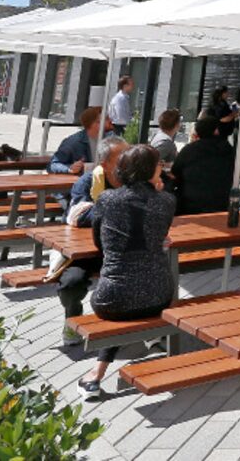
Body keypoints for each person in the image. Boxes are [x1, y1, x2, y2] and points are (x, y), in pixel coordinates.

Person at [74, 144, 177, 400]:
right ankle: (145, 348)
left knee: (122, 293)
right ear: (150, 170)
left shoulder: (108, 200)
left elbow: (100, 243)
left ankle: (96, 374)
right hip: (159, 295)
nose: (162, 169)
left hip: (111, 300)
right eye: (158, 165)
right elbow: (160, 235)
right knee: (133, 288)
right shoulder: (167, 201)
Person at [56, 138, 130, 346]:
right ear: (104, 164)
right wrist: (117, 208)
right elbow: (77, 216)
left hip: (122, 252)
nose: (127, 163)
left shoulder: (134, 182)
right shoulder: (87, 182)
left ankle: (147, 330)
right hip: (86, 252)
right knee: (71, 284)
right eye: (121, 159)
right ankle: (73, 317)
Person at [171, 115, 235, 215]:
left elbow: (175, 172)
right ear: (216, 131)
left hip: (189, 205)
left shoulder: (189, 150)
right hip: (220, 204)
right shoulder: (228, 151)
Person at [51, 107, 102, 175]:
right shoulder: (73, 142)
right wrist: (69, 168)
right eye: (101, 121)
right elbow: (53, 165)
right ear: (91, 123)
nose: (109, 124)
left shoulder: (110, 139)